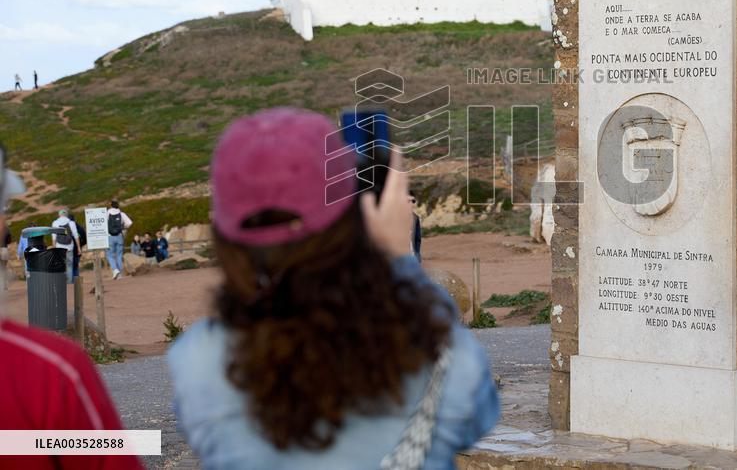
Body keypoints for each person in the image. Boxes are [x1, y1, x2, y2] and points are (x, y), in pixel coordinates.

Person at [168, 108, 498, 469]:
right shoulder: (427, 350)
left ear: (224, 239)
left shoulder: (197, 362)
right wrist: (400, 261)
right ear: (350, 220)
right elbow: (477, 417)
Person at [0, 143, 142, 469]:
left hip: (56, 259)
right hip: (68, 260)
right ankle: (113, 268)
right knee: (86, 267)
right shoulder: (52, 370)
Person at [51, 210, 80, 282]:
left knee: (61, 266)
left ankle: (62, 282)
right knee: (69, 266)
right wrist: (79, 248)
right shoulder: (71, 223)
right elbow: (76, 236)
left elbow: (54, 237)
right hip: (69, 247)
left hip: (59, 247)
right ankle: (69, 283)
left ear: (59, 215)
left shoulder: (55, 223)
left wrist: (54, 249)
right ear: (66, 215)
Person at [107, 200, 132, 280]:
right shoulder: (121, 214)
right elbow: (129, 223)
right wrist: (123, 227)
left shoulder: (107, 213)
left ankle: (115, 270)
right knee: (119, 255)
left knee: (110, 255)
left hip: (110, 236)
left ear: (111, 205)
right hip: (119, 236)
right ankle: (120, 275)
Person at [67, 212, 87, 281]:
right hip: (78, 250)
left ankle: (71, 281)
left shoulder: (66, 227)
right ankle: (76, 281)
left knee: (69, 266)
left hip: (69, 248)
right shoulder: (80, 228)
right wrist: (80, 246)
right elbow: (85, 239)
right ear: (74, 219)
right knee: (75, 266)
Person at [410, 194, 422, 263]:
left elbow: (418, 238)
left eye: (413, 201)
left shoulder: (415, 217)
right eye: (408, 201)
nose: (411, 203)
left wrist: (417, 253)